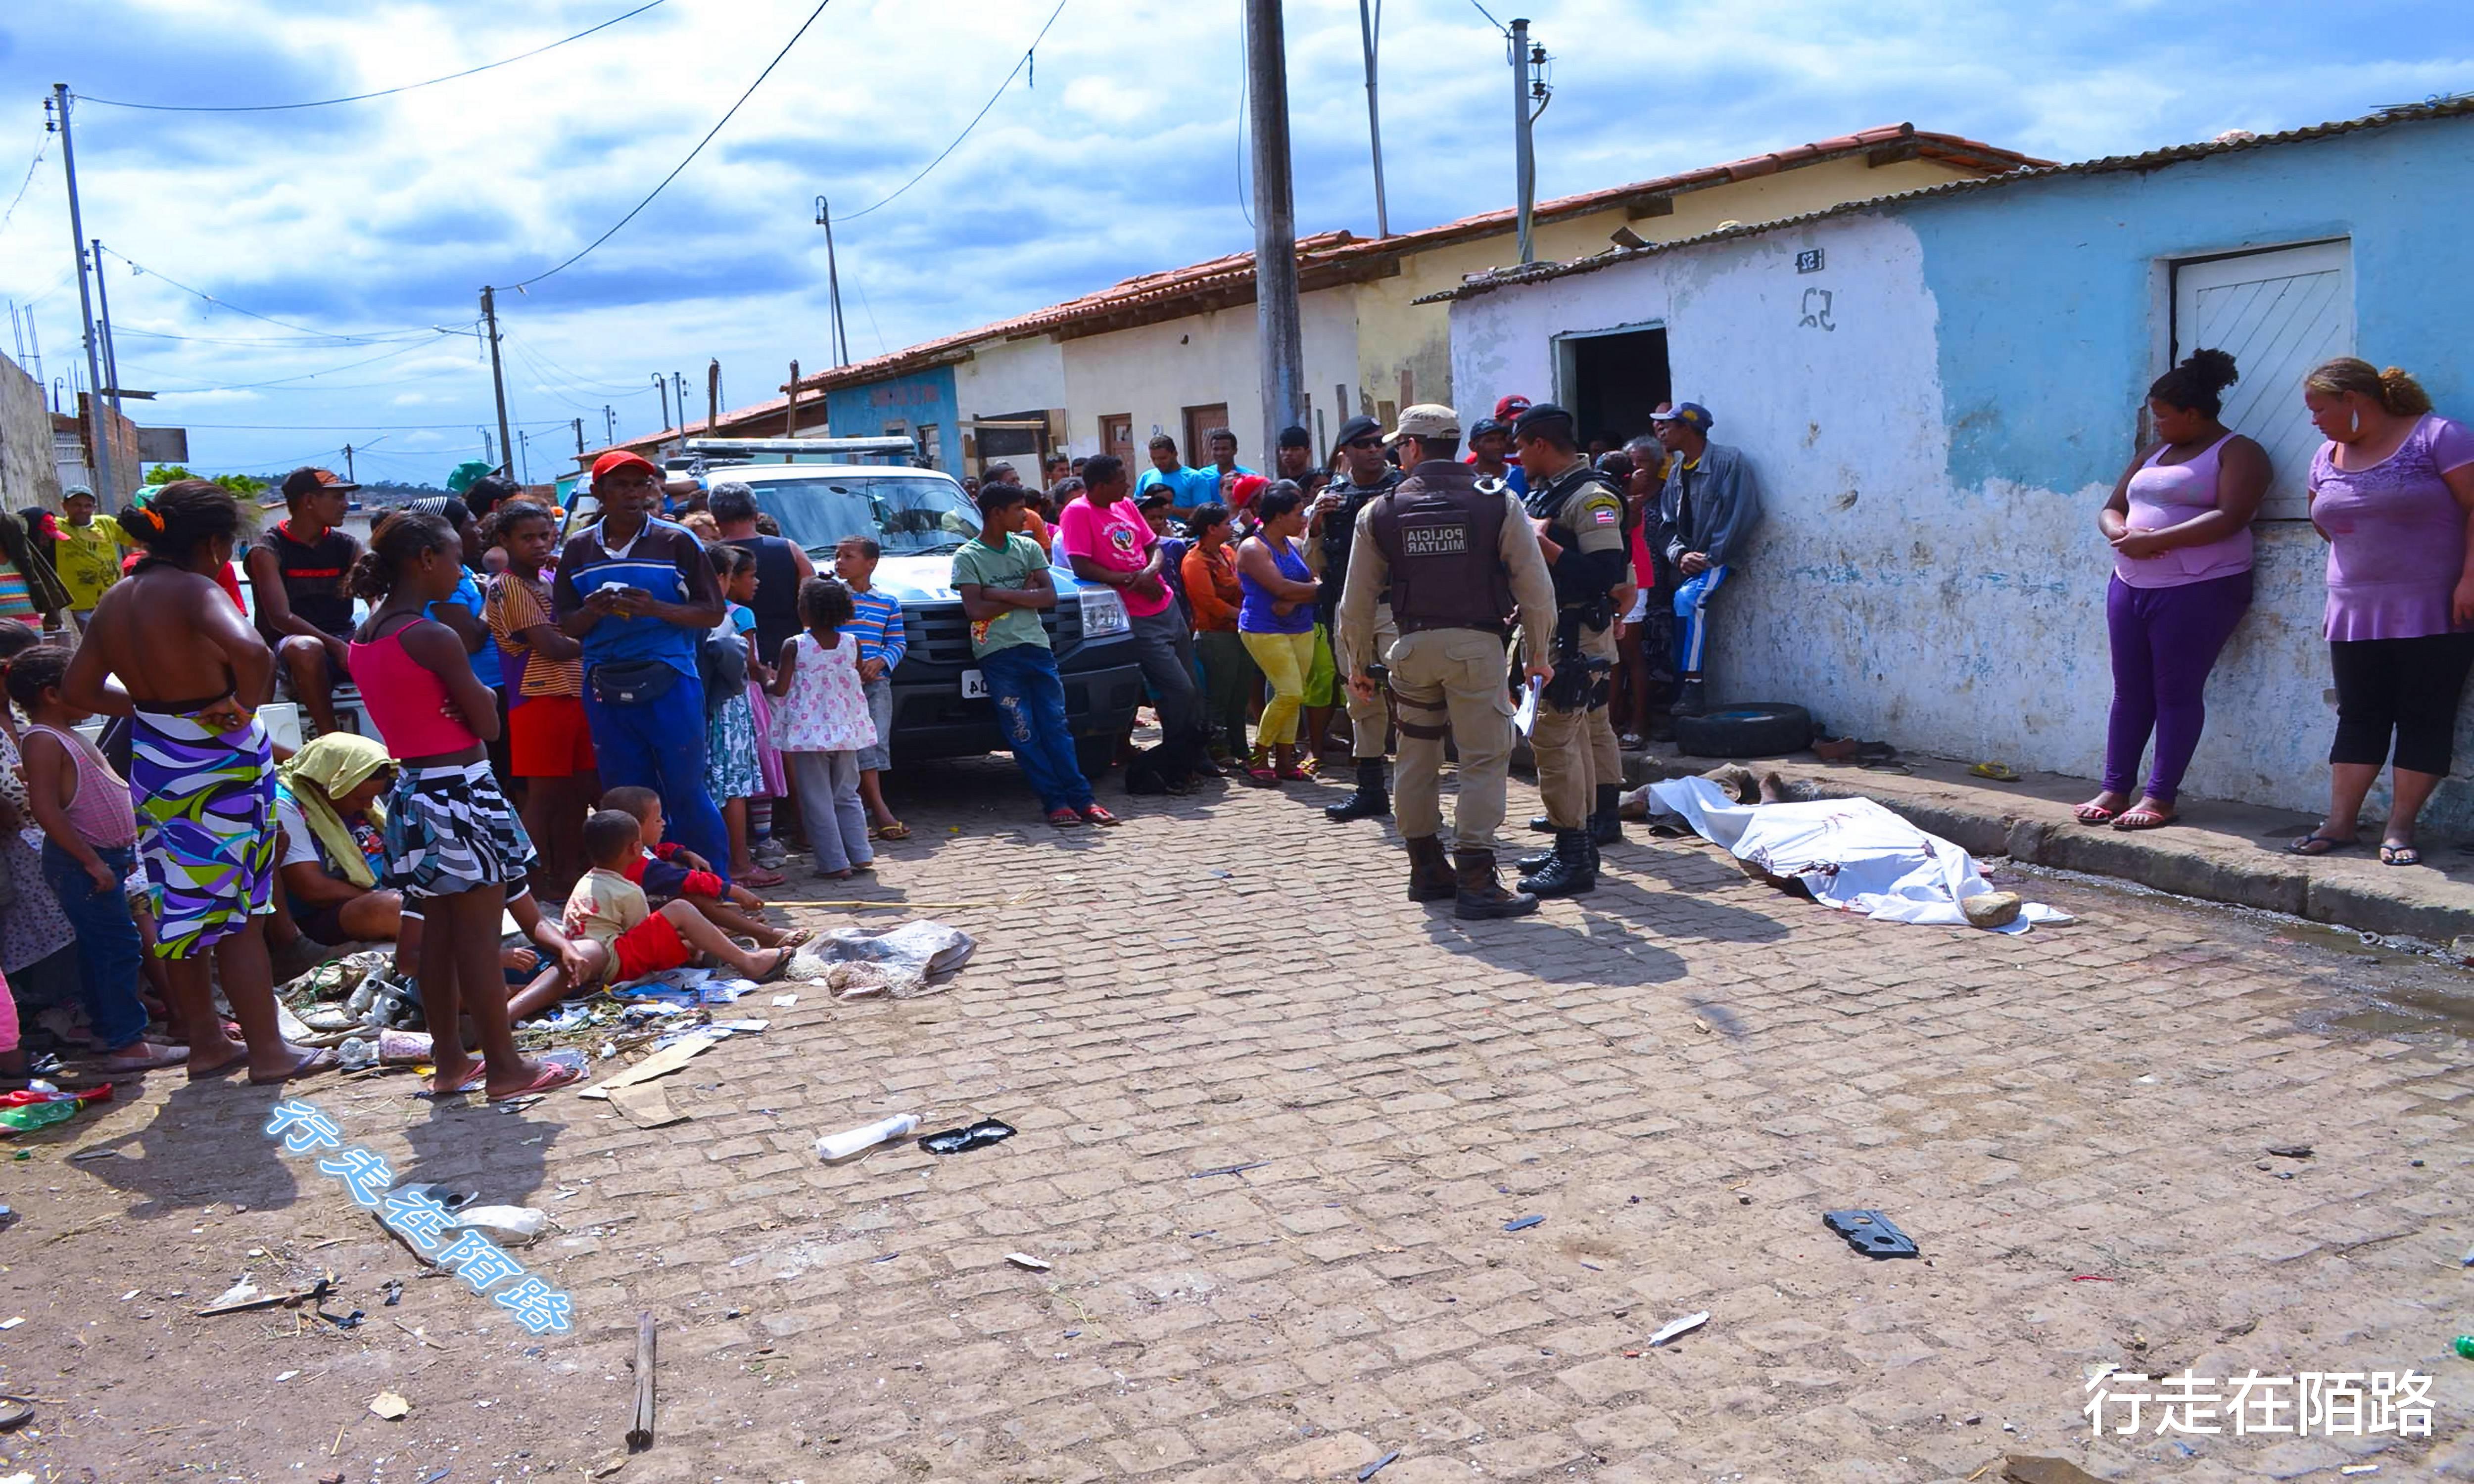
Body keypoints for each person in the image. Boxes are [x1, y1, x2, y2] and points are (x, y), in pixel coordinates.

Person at [62, 480, 332, 1083]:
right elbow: (254, 651)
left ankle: (207, 1043)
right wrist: (240, 706)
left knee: (180, 909)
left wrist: (152, 709)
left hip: (157, 766)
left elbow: (78, 690)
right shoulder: (195, 590)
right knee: (240, 916)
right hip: (220, 767)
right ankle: (269, 1051)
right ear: (213, 545)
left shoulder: (117, 599)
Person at [347, 510, 577, 1101]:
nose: (463, 569)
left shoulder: (367, 636)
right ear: (425, 560)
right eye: (455, 556)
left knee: (440, 939)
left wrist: (463, 700)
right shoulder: (432, 636)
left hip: (415, 792)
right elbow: (488, 724)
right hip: (460, 792)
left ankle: (451, 1063)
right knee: (476, 940)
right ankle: (505, 1067)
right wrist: (476, 699)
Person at [1338, 403, 1559, 920]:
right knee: (1482, 759)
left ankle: (1426, 869)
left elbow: (1356, 601)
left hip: (1411, 648)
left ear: (1413, 447)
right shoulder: (1496, 501)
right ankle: (1476, 880)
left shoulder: (1382, 510)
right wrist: (1538, 654)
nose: (1395, 455)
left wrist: (1356, 665)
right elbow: (1535, 588)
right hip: (1477, 650)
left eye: (1398, 446)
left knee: (1416, 757)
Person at [2072, 350, 2269, 833]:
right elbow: (2112, 506)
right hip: (2130, 584)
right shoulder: (2152, 455)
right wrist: (2118, 532)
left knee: (2175, 691)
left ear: (2193, 413)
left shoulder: (2238, 452)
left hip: (2200, 587)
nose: (2156, 425)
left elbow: (2232, 515)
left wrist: (2158, 541)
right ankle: (2115, 787)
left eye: (2162, 416)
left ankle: (2160, 796)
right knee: (2129, 691)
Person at [2290, 358, 2474, 867]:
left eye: (2318, 409)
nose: (2313, 421)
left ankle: (2399, 827)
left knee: (2424, 714)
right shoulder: (2325, 455)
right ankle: (2339, 824)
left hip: (2436, 605)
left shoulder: (2437, 437)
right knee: (2359, 714)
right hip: (2353, 609)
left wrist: (2470, 578)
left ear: (2352, 400)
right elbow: (2323, 520)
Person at [552, 449, 734, 883]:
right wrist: (594, 611)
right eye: (621, 486)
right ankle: (642, 889)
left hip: (670, 679)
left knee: (686, 790)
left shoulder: (677, 541)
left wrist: (656, 609)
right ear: (599, 493)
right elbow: (567, 624)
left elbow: (712, 612)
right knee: (625, 798)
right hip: (605, 683)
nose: (633, 494)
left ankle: (715, 887)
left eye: (640, 485)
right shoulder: (578, 548)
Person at [9, 647, 186, 1073]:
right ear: (53, 694)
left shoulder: (66, 735)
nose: (95, 694)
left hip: (106, 858)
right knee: (117, 949)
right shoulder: (44, 739)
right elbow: (47, 809)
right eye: (85, 685)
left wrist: (119, 854)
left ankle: (110, 1032)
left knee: (104, 949)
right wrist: (90, 860)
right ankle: (128, 1042)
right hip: (82, 863)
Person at [1510, 404, 1634, 896]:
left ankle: (1575, 853)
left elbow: (1605, 575)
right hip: (1550, 628)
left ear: (1540, 444)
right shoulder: (1550, 492)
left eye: (1521, 447)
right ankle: (1576, 843)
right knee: (1573, 738)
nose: (1518, 457)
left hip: (1575, 637)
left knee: (1556, 740)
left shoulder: (1590, 497)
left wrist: (1542, 545)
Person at [953, 481, 1110, 826]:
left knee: (1056, 726)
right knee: (1023, 731)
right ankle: (1055, 802)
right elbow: (975, 610)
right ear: (997, 513)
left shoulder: (1027, 547)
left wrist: (998, 593)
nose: (1026, 516)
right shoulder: (968, 556)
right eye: (1018, 509)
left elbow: (1049, 597)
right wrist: (1023, 595)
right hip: (997, 652)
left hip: (1037, 647)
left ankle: (1083, 799)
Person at [1059, 455, 1208, 776]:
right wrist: (1131, 581)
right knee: (1177, 688)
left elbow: (1153, 546)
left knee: (1193, 688)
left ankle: (1192, 753)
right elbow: (1081, 566)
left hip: (1164, 604)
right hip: (1134, 616)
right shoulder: (1078, 512)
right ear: (1100, 486)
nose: (1127, 485)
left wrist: (1150, 572)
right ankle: (1176, 756)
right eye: (1120, 481)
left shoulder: (1126, 506)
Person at [484, 501, 598, 893]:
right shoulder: (508, 586)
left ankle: (567, 874)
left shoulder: (548, 578)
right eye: (527, 538)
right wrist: (601, 640)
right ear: (504, 540)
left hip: (572, 694)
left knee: (577, 794)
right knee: (543, 797)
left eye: (544, 536)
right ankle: (530, 885)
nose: (538, 544)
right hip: (537, 699)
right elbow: (552, 646)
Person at [559, 810, 793, 993]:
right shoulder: (627, 891)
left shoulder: (587, 882)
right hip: (613, 967)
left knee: (680, 922)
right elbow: (646, 939)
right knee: (680, 909)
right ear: (636, 848)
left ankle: (707, 947)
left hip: (591, 963)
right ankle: (747, 962)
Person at [1313, 415, 1405, 819]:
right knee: (1361, 701)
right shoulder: (1332, 495)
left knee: (1411, 699)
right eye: (1364, 444)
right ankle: (1371, 789)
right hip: (1350, 610)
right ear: (1345, 451)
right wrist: (1316, 523)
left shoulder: (1403, 488)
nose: (1373, 450)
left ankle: (1418, 797)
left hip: (1395, 607)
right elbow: (1315, 563)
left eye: (1378, 443)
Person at [1653, 402, 1763, 716]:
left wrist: (1708, 557)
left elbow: (1740, 515)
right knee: (1674, 607)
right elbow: (1667, 525)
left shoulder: (1728, 462)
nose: (1662, 433)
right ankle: (1677, 688)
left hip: (1717, 558)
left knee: (1688, 600)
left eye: (1668, 426)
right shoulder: (1677, 473)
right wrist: (1680, 555)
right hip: (1687, 561)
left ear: (1688, 429)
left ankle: (1692, 685)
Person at [597, 785, 802, 946]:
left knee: (684, 873)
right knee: (696, 897)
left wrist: (683, 853)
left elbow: (657, 851)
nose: (664, 823)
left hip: (641, 919)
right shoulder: (644, 868)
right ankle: (763, 934)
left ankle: (723, 930)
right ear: (635, 829)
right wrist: (733, 891)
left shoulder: (626, 853)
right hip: (636, 933)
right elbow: (686, 880)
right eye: (657, 820)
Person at [769, 578, 878, 878]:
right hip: (846, 730)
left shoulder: (795, 645)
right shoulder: (852, 643)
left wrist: (764, 678)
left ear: (805, 610)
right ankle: (860, 854)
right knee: (847, 793)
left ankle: (834, 863)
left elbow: (781, 688)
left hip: (809, 734)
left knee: (816, 799)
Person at [246, 466, 363, 738]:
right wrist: (336, 647)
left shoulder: (348, 546)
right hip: (288, 647)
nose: (346, 505)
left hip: (343, 639)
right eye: (338, 497)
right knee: (307, 648)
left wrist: (371, 638)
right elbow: (280, 618)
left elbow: (375, 596)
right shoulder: (268, 550)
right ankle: (331, 739)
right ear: (309, 501)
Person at [703, 544, 782, 887]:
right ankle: (739, 863)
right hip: (729, 706)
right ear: (723, 577)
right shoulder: (722, 615)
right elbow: (736, 656)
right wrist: (745, 680)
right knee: (734, 787)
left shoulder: (685, 611)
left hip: (700, 706)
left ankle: (719, 862)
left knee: (711, 784)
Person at [1236, 484, 1324, 785]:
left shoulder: (1294, 545)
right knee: (1290, 692)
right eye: (1298, 514)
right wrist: (1317, 592)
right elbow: (1281, 588)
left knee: (1294, 696)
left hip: (1301, 626)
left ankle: (1285, 761)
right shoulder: (1253, 548)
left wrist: (1297, 599)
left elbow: (1314, 578)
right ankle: (1258, 757)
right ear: (1278, 516)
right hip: (1264, 628)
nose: (1303, 520)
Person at [834, 536, 908, 840]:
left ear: (871, 563)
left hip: (876, 685)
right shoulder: (833, 598)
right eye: (838, 556)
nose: (839, 562)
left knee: (873, 743)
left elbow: (897, 642)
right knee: (848, 747)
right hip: (840, 687)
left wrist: (880, 662)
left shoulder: (887, 602)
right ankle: (876, 810)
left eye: (848, 556)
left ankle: (868, 809)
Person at [711, 483, 816, 670]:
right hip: (787, 660)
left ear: (715, 518)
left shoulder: (709, 556)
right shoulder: (790, 549)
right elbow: (813, 602)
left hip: (729, 662)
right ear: (756, 515)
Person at [1182, 503, 1254, 768]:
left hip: (1239, 632)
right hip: (1215, 635)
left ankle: (1240, 747)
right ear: (1212, 529)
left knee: (1240, 694)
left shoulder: (1227, 552)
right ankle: (1218, 748)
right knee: (1219, 696)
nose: (1230, 527)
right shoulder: (1195, 561)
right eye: (1225, 524)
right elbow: (1209, 603)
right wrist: (1244, 615)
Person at [48, 485, 133, 629]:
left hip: (112, 598)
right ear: (64, 506)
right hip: (79, 603)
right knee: (96, 638)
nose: (83, 510)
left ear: (94, 508)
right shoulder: (58, 527)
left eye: (88, 506)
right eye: (76, 505)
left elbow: (137, 541)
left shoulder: (106, 523)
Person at [1137, 435, 1211, 519]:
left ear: (1175, 454)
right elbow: (1137, 509)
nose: (1158, 463)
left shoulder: (1194, 478)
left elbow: (1204, 514)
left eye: (1163, 458)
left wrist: (1173, 510)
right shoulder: (1146, 477)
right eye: (1154, 459)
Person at [1467, 418, 1528, 497]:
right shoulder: (1465, 479)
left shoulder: (1522, 475)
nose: (1498, 446)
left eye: (1502, 440)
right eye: (1490, 441)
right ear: (1472, 446)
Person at [1273, 425, 1327, 500]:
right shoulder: (1277, 486)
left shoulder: (1318, 481)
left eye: (1295, 449)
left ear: (1308, 452)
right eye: (1284, 449)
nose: (1288, 453)